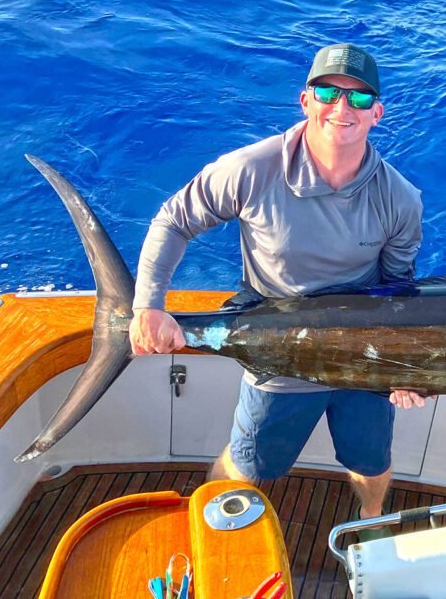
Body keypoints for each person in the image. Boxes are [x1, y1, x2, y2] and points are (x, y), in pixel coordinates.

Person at [128, 43, 428, 532]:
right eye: (328, 93)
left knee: (372, 461)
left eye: (358, 98)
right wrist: (148, 305)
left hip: (363, 360)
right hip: (277, 355)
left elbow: (398, 292)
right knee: (247, 464)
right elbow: (173, 220)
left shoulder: (401, 199)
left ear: (376, 113)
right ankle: (204, 528)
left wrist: (404, 367)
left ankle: (371, 518)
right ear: (305, 101)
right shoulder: (252, 169)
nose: (342, 107)